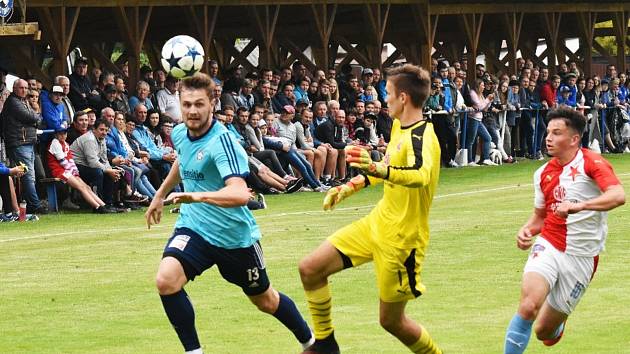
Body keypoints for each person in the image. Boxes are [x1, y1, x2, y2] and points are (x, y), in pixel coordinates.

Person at [144, 73, 314, 354]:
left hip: (235, 238)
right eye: (186, 104)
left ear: (213, 103)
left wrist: (195, 196)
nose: (192, 111)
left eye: (199, 104)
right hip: (194, 228)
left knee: (265, 300)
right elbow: (183, 162)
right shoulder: (178, 133)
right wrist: (159, 195)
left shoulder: (223, 142)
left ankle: (310, 342)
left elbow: (239, 194)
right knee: (166, 280)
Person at [299, 64, 443, 354]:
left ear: (403, 98)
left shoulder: (423, 136)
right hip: (377, 223)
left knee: (391, 321)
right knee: (310, 268)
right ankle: (326, 343)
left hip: (402, 240)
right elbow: (386, 168)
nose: (384, 98)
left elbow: (419, 175)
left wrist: (377, 167)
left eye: (388, 93)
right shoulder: (398, 127)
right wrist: (348, 187)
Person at [503, 107, 625, 354]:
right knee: (528, 307)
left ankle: (556, 326)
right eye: (548, 132)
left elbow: (618, 195)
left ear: (574, 139)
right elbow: (540, 216)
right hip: (549, 244)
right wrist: (527, 230)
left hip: (582, 257)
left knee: (543, 332)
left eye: (556, 133)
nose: (548, 137)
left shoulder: (593, 163)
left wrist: (580, 206)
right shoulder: (542, 173)